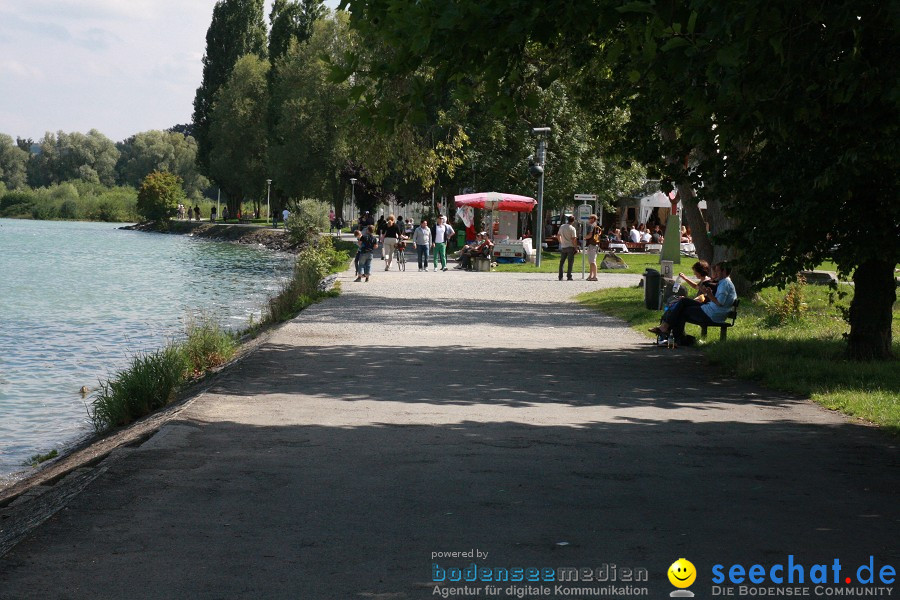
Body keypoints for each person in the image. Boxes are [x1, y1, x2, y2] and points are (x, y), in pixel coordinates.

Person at [650, 262, 736, 344]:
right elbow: (715, 299)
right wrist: (706, 293)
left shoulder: (725, 284)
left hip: (713, 314)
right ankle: (673, 335)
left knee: (682, 310)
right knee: (683, 302)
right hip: (711, 310)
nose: (716, 273)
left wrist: (708, 294)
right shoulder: (724, 282)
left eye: (717, 271)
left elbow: (720, 303)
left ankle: (671, 333)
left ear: (724, 271)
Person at [556, 215, 578, 281]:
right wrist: (576, 247)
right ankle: (569, 276)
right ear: (573, 221)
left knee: (562, 262)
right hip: (570, 246)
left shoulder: (562, 226)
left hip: (563, 246)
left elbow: (558, 235)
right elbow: (574, 239)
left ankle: (560, 276)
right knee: (570, 262)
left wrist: (561, 242)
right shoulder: (572, 228)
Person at [583, 214, 601, 281]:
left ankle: (595, 276)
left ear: (593, 219)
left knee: (593, 261)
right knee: (591, 261)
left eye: (590, 218)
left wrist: (584, 237)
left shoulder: (591, 226)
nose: (588, 219)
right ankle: (591, 275)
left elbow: (590, 235)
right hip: (594, 245)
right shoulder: (596, 226)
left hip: (592, 245)